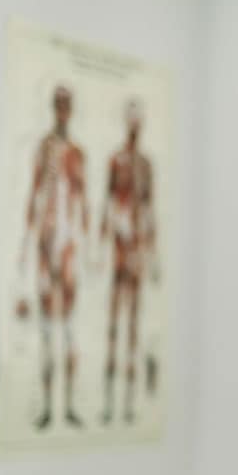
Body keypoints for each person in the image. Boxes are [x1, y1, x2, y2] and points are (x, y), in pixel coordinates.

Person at [18, 85, 90, 430]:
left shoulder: (77, 153)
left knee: (71, 328)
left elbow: (83, 201)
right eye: (59, 105)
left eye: (67, 105)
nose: (63, 111)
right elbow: (34, 196)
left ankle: (71, 404)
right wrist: (27, 247)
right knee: (48, 328)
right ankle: (48, 405)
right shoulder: (45, 149)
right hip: (47, 248)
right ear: (54, 108)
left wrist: (85, 247)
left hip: (68, 249)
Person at [99, 99, 159, 424]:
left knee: (133, 326)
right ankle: (110, 403)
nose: (135, 125)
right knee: (113, 324)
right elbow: (107, 205)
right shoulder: (117, 161)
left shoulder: (145, 166)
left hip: (136, 248)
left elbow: (149, 211)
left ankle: (128, 406)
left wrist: (152, 253)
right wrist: (100, 246)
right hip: (121, 247)